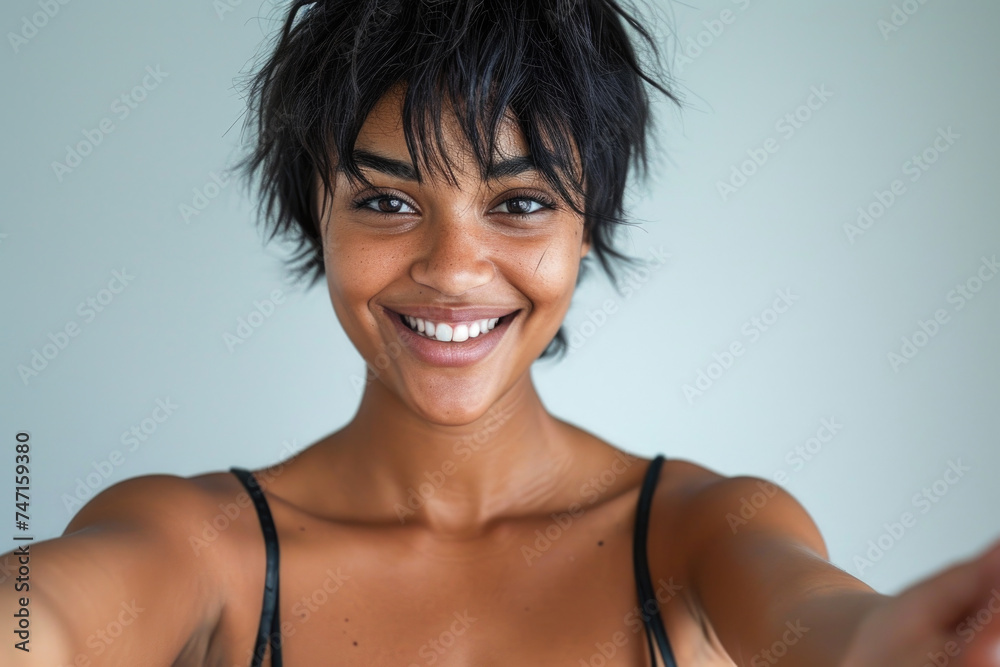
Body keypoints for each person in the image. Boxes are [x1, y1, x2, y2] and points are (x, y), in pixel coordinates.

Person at [4, 1, 1000, 665]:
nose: (451, 267)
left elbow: (821, 624)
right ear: (317, 215)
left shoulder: (702, 533)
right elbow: (44, 614)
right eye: (387, 202)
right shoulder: (205, 545)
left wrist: (883, 643)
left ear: (585, 226)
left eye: (518, 204)